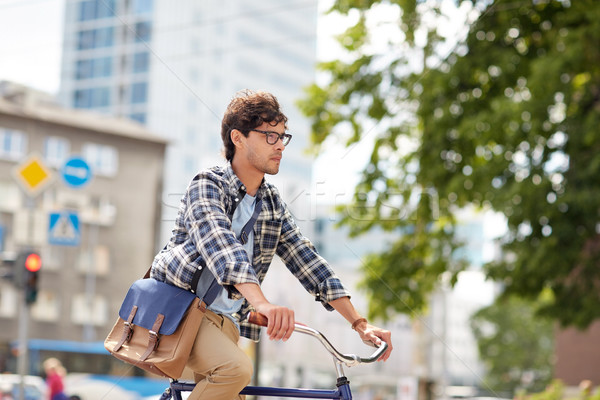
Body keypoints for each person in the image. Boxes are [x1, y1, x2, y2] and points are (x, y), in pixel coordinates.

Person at [150, 89, 393, 400]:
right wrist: (262, 303)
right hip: (180, 314)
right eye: (269, 135)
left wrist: (360, 324)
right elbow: (223, 249)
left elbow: (308, 261)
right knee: (235, 371)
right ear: (237, 138)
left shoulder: (271, 202)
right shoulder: (207, 184)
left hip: (227, 323)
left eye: (282, 137)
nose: (279, 145)